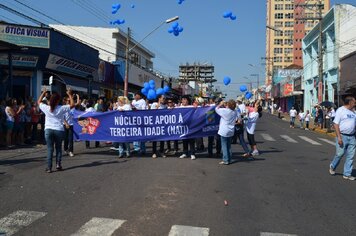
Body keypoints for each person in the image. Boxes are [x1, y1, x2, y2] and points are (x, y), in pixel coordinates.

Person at [37, 88, 74, 173]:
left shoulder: (46, 108)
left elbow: (38, 102)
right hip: (59, 130)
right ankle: (58, 164)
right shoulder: (61, 108)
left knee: (50, 149)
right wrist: (69, 94)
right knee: (58, 148)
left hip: (48, 130)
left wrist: (43, 93)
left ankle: (49, 167)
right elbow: (72, 104)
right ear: (58, 101)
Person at [329, 96, 356, 181]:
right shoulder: (341, 110)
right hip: (342, 136)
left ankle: (347, 174)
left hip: (352, 137)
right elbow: (336, 124)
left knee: (351, 156)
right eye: (354, 102)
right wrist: (339, 137)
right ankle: (332, 166)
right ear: (350, 102)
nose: (355, 103)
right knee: (340, 154)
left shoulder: (354, 112)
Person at [215, 99, 237, 165]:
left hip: (224, 130)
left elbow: (216, 109)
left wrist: (220, 104)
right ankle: (229, 159)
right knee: (228, 146)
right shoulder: (234, 112)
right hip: (231, 130)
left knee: (224, 146)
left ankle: (225, 160)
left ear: (228, 105)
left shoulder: (224, 111)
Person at [179, 95, 196, 160]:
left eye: (185, 99)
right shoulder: (179, 107)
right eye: (182, 99)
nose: (183, 101)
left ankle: (192, 153)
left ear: (188, 100)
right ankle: (185, 153)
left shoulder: (191, 107)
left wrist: (196, 107)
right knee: (184, 140)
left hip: (191, 126)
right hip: (183, 127)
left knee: (191, 140)